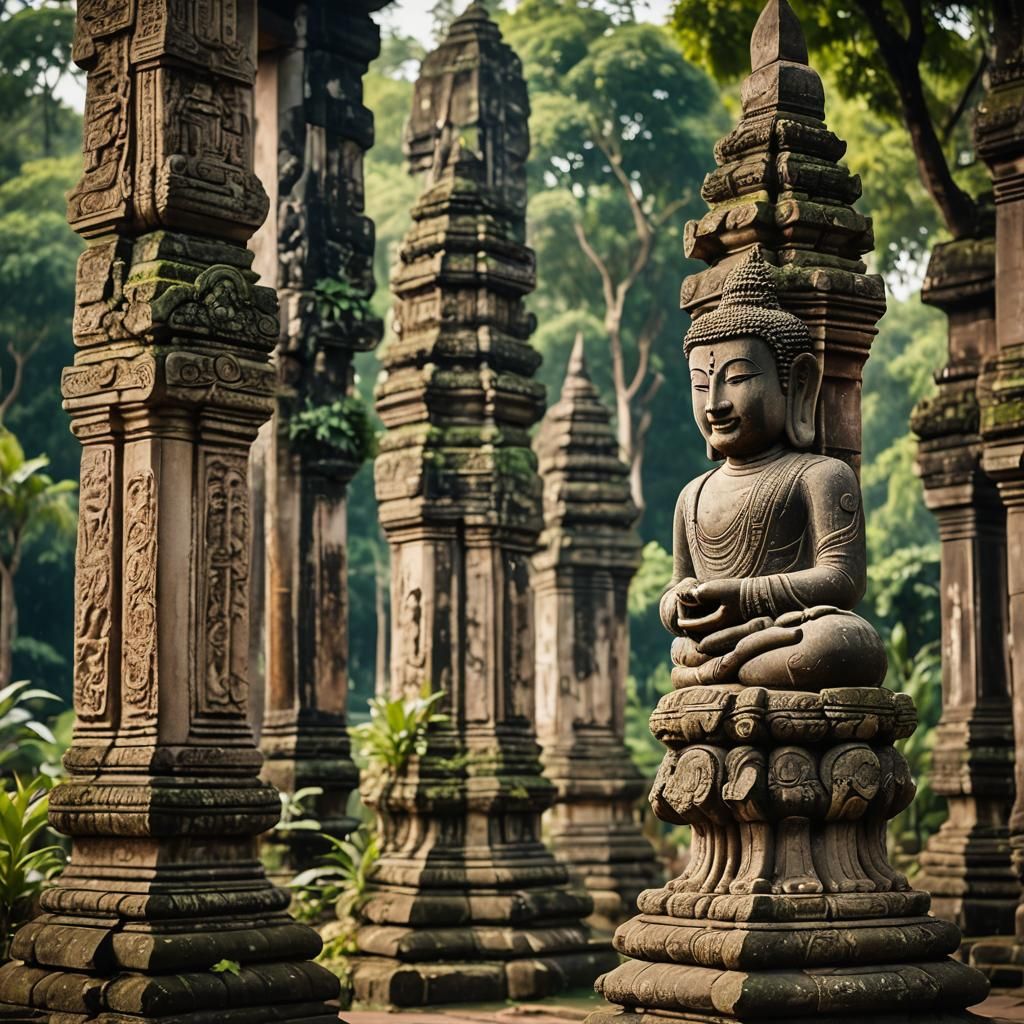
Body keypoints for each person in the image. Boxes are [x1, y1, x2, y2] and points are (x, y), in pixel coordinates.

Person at [659, 248, 887, 690]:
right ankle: (729, 663)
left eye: (739, 378)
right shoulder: (693, 495)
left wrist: (742, 595)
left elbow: (842, 579)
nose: (715, 404)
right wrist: (681, 603)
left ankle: (724, 669)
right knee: (682, 647)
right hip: (721, 640)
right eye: (701, 385)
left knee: (844, 643)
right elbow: (676, 584)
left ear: (798, 383)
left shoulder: (819, 474)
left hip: (791, 634)